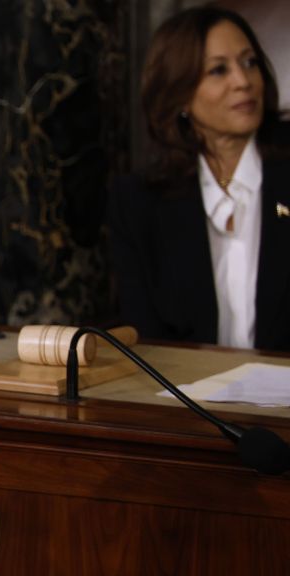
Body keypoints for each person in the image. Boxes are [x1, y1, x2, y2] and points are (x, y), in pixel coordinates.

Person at [108, 5, 290, 351]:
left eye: (250, 62)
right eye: (218, 70)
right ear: (180, 96)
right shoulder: (139, 200)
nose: (243, 81)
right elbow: (146, 339)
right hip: (185, 398)